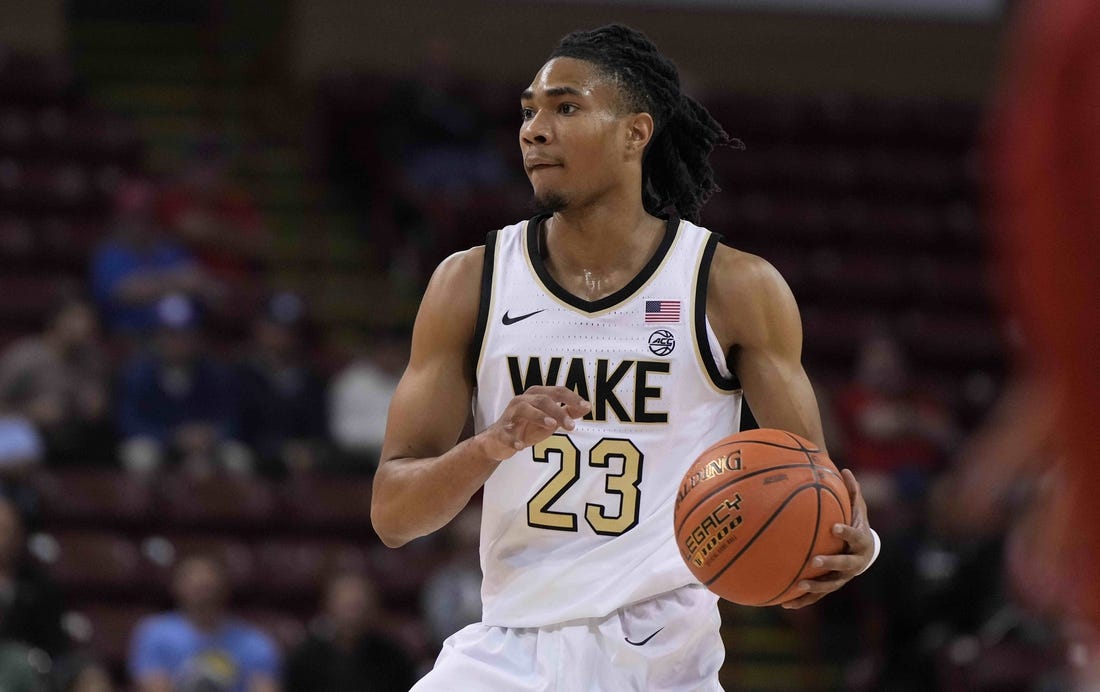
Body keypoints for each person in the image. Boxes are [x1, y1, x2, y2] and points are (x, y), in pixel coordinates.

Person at [371, 24, 879, 691]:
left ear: (636, 133)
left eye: (565, 107)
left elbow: (806, 487)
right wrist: (490, 445)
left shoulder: (733, 287)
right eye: (529, 111)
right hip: (510, 653)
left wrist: (853, 547)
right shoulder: (470, 284)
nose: (534, 129)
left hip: (665, 664)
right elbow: (392, 515)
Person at [117, 294, 247, 476]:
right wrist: (173, 437)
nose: (177, 342)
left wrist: (210, 435)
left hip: (206, 444)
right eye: (170, 334)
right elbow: (129, 422)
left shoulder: (216, 374)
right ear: (157, 336)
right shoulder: (138, 373)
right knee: (140, 455)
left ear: (196, 337)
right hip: (159, 443)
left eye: (184, 334)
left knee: (237, 457)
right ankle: (147, 505)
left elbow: (232, 420)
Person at [128, 553, 280, 692]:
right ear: (176, 586)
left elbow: (265, 687)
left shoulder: (254, 642)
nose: (202, 585)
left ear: (224, 586)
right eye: (193, 579)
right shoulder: (155, 633)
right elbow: (153, 686)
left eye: (208, 581)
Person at [0, 294, 113, 466]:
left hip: (80, 438)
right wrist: (30, 412)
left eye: (89, 320)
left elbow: (100, 404)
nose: (84, 326)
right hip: (31, 438)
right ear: (56, 320)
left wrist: (97, 404)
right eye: (76, 318)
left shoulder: (93, 359)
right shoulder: (24, 358)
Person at [235, 292, 328, 476]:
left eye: (288, 329)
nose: (280, 335)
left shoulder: (311, 380)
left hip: (304, 459)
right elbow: (240, 429)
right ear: (259, 328)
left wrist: (307, 449)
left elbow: (320, 431)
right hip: (257, 457)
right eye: (274, 326)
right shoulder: (241, 375)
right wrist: (279, 450)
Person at [283, 570, 416, 692]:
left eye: (358, 606)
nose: (352, 615)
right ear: (327, 606)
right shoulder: (305, 658)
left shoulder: (393, 657)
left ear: (373, 607)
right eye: (346, 606)